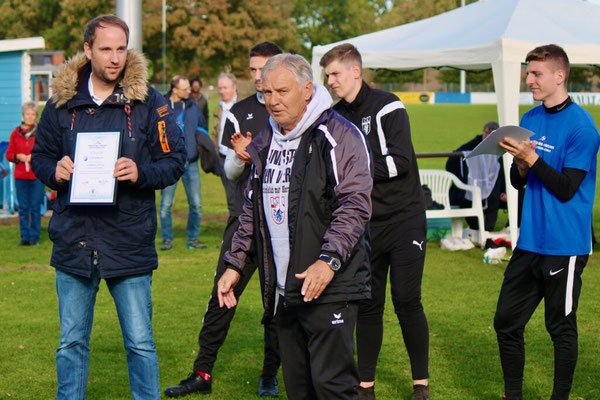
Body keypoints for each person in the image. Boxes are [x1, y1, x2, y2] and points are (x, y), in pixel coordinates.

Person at [30, 15, 186, 400]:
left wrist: (141, 172)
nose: (115, 58)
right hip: (74, 241)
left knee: (140, 344)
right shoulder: (60, 103)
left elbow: (176, 158)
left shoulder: (150, 101)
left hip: (128, 240)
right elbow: (39, 158)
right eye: (105, 49)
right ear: (87, 50)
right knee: (71, 344)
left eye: (121, 48)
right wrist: (56, 170)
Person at [217, 53, 372, 399]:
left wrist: (328, 260)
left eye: (282, 91)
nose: (273, 101)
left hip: (330, 285)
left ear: (306, 90)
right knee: (298, 388)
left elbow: (355, 205)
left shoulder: (338, 135)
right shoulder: (265, 140)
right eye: (267, 92)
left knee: (333, 388)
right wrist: (235, 264)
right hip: (285, 292)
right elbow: (251, 211)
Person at [164, 41, 283, 399]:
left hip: (279, 225)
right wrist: (241, 157)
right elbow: (230, 171)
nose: (258, 76)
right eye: (253, 70)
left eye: (264, 68)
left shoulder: (292, 108)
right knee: (221, 296)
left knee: (275, 306)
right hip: (243, 220)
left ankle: (269, 374)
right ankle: (202, 373)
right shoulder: (240, 111)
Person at [320, 43, 430, 400]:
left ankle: (421, 385)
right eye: (327, 75)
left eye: (335, 73)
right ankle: (365, 387)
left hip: (404, 220)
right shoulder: (333, 117)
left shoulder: (389, 105)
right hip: (364, 226)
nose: (330, 81)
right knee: (368, 304)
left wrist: (354, 169)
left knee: (406, 300)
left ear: (356, 71)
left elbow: (401, 162)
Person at [494, 44, 599, 400]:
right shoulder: (530, 120)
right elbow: (519, 181)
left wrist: (533, 159)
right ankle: (514, 395)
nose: (529, 79)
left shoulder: (583, 128)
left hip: (565, 245)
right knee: (506, 321)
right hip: (529, 242)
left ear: (559, 75)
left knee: (560, 327)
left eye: (536, 73)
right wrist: (522, 166)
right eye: (528, 72)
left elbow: (568, 188)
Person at [159, 75, 208, 251]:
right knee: (166, 205)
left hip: (191, 163)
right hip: (169, 163)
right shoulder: (161, 106)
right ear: (175, 90)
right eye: (186, 88)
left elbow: (203, 129)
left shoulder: (193, 106)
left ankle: (193, 239)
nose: (190, 90)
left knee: (196, 204)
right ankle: (167, 240)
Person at [446, 121, 507, 232]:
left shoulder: (503, 149)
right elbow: (452, 161)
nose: (488, 136)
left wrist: (505, 190)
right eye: (486, 133)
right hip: (472, 186)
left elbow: (506, 173)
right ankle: (477, 229)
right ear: (483, 132)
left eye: (492, 134)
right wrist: (464, 178)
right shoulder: (472, 146)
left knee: (518, 196)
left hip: (496, 188)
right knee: (466, 197)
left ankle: (493, 230)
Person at [5, 101, 45, 246]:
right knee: (23, 208)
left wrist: (33, 157)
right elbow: (9, 154)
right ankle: (25, 237)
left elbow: (45, 151)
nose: (30, 117)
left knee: (35, 207)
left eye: (33, 114)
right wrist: (18, 157)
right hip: (21, 176)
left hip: (36, 176)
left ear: (36, 116)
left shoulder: (40, 132)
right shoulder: (15, 134)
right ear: (23, 115)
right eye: (27, 114)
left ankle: (34, 237)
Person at [211, 72, 238, 213]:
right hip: (222, 158)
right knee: (231, 199)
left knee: (242, 198)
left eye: (225, 87)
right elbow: (214, 134)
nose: (222, 91)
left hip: (238, 158)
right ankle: (235, 231)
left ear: (234, 88)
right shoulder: (217, 109)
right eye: (220, 88)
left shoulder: (242, 107)